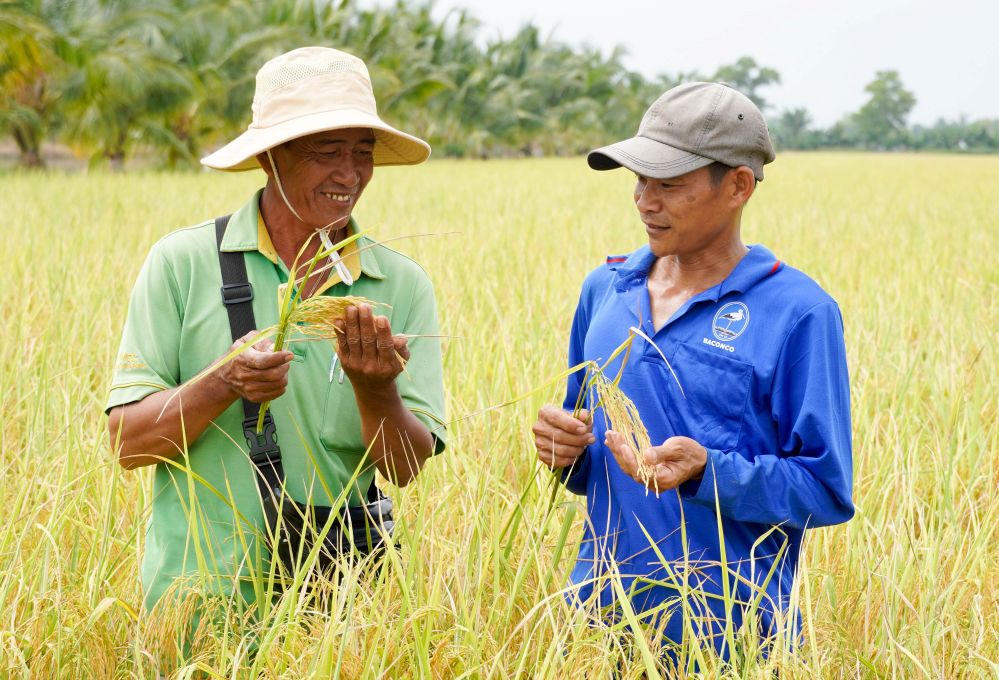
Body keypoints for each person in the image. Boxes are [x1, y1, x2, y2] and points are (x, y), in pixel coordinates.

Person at [106, 47, 446, 620]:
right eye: (326, 152)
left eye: (362, 153)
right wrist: (222, 382)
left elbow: (405, 469)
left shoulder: (400, 284)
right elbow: (128, 445)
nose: (350, 174)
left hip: (340, 612)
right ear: (270, 159)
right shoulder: (184, 264)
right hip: (199, 602)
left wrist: (376, 387)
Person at [531, 82, 854, 659]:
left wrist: (710, 471)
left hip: (732, 641)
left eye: (669, 185)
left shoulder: (797, 312)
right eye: (638, 180)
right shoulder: (605, 291)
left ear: (738, 186)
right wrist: (565, 449)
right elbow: (590, 454)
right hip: (601, 623)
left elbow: (826, 490)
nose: (644, 201)